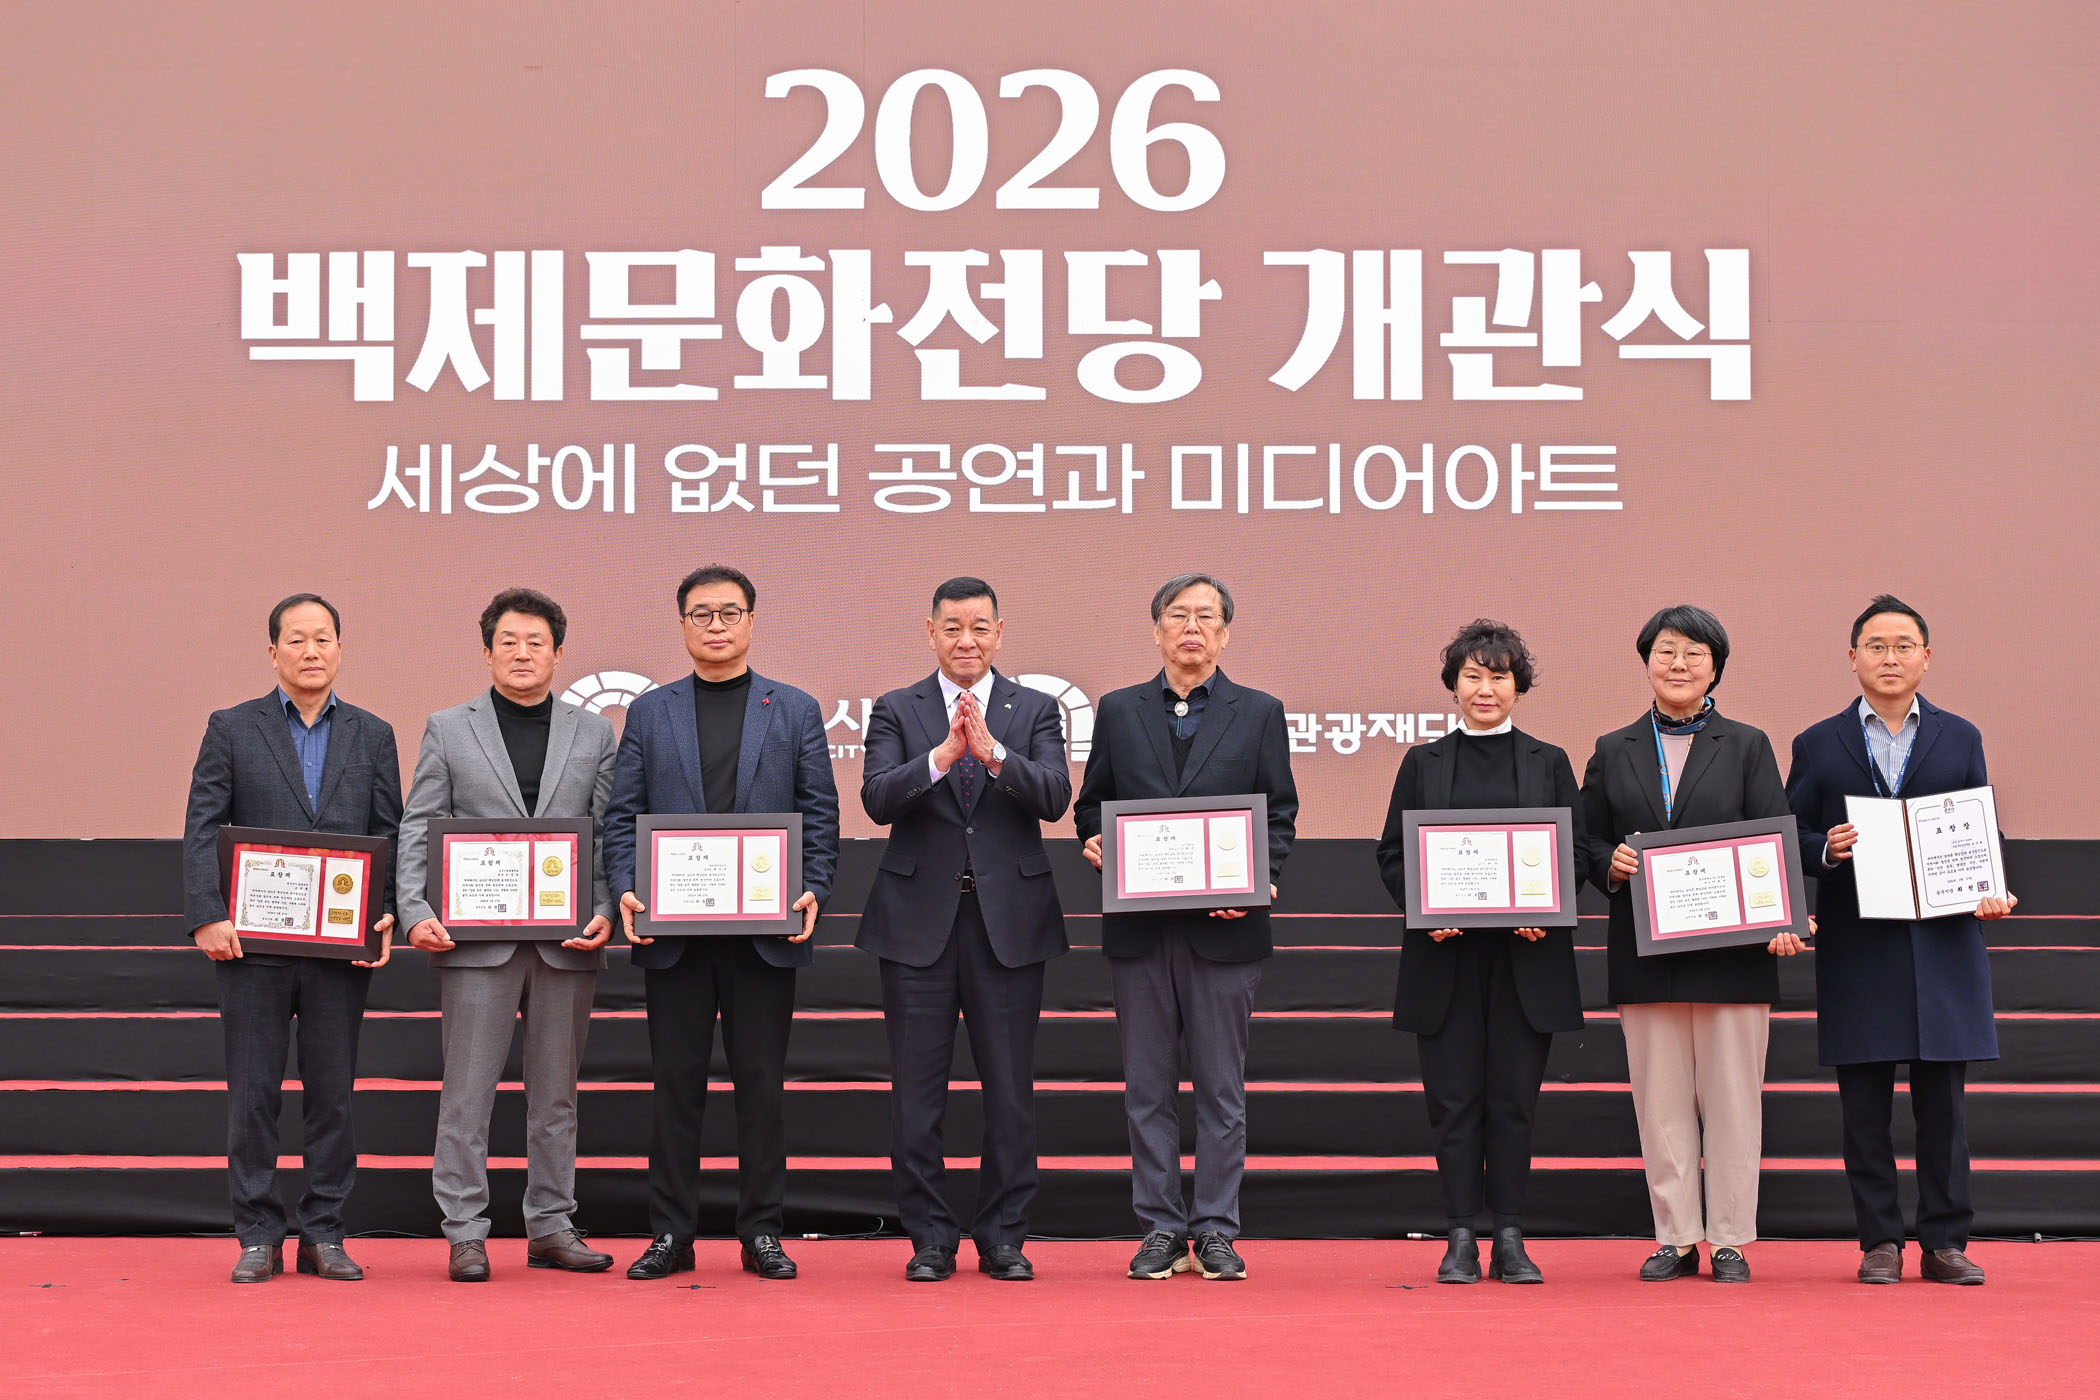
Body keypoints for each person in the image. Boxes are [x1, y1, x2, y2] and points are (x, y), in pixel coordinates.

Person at [603, 565, 840, 1281]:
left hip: (763, 933)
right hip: (674, 934)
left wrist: (812, 887)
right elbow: (624, 814)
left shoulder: (794, 709)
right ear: (682, 624)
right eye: (701, 614)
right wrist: (627, 888)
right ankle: (671, 1234)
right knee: (676, 1086)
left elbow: (819, 813)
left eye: (729, 613)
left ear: (751, 622)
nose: (716, 626)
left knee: (761, 1088)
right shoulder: (651, 712)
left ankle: (761, 1231)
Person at [1075, 573, 1298, 1282]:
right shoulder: (1118, 710)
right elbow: (1093, 805)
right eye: (1178, 615)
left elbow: (1279, 813)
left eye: (1206, 617)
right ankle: (1162, 1228)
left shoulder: (1259, 712)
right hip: (1141, 929)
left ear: (1225, 633)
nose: (1191, 628)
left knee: (1221, 1090)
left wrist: (1257, 877)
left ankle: (1217, 1229)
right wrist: (1095, 840)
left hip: (1224, 930)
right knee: (1147, 1089)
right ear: (1157, 630)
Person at [1785, 595, 2013, 1285]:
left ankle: (1945, 1242)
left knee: (1944, 1109)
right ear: (1853, 657)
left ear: (1926, 657)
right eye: (1876, 646)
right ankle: (1879, 1241)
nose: (1890, 658)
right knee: (1864, 1109)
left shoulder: (1960, 736)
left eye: (1903, 646)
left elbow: (1981, 828)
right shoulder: (1817, 742)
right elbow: (1790, 835)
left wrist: (1993, 887)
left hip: (1944, 946)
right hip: (1860, 945)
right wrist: (1825, 849)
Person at [395, 588, 619, 1282]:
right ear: (488, 651)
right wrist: (414, 908)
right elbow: (418, 823)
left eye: (536, 643)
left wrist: (605, 909)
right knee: (467, 1095)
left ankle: (551, 1225)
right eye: (509, 642)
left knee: (556, 1098)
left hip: (567, 941)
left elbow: (607, 833)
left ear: (558, 652)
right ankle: (465, 1231)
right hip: (474, 943)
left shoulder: (594, 733)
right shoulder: (448, 728)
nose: (523, 654)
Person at [1579, 605, 1805, 1284]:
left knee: (1734, 1101)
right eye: (1666, 652)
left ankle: (1730, 1237)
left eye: (1694, 654)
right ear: (1647, 661)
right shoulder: (1613, 748)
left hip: (1734, 956)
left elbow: (1774, 835)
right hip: (1645, 953)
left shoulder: (1747, 744)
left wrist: (1783, 917)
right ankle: (1675, 1236)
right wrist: (1609, 864)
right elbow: (1587, 839)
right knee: (1661, 1103)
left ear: (1715, 668)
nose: (1678, 665)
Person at [180, 593, 399, 1283]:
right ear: (273, 651)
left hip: (340, 948)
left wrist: (383, 911)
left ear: (340, 649)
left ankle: (324, 1233)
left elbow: (388, 833)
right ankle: (258, 1235)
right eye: (297, 639)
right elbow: (203, 824)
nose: (311, 651)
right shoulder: (232, 727)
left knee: (333, 1095)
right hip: (252, 946)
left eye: (323, 638)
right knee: (254, 1093)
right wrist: (207, 913)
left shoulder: (373, 734)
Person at [859, 577, 1072, 1283]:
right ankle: (929, 1238)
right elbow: (877, 799)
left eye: (980, 627)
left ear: (999, 633)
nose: (966, 640)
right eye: (952, 627)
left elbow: (1055, 797)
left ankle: (1004, 1236)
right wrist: (944, 757)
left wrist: (994, 754)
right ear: (931, 633)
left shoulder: (1034, 708)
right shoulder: (898, 707)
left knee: (1009, 1093)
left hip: (1008, 924)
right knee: (916, 1096)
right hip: (916, 926)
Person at [1375, 621, 1591, 1285]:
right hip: (1447, 960)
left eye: (1499, 676)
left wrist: (1544, 908)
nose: (1486, 688)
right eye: (1473, 676)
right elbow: (1392, 854)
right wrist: (1425, 910)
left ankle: (1511, 1235)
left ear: (1518, 687)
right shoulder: (1423, 763)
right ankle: (1461, 1233)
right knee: (1453, 1101)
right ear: (1453, 686)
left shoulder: (1549, 761)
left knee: (1513, 1101)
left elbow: (1576, 852)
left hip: (1527, 961)